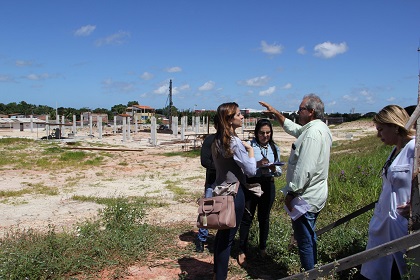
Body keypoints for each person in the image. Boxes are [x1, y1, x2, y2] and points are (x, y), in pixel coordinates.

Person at [259, 93, 332, 271]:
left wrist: (291, 194)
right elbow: (294, 129)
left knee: (304, 241)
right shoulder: (317, 128)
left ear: (311, 111)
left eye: (300, 109)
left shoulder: (312, 134)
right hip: (314, 195)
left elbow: (304, 169)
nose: (298, 112)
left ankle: (309, 274)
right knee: (309, 235)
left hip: (304, 198)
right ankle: (313, 269)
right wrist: (276, 113)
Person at [360, 105, 416, 280]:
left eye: (381, 129)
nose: (379, 135)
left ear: (395, 125)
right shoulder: (395, 150)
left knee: (400, 271)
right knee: (378, 271)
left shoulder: (415, 148)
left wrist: (416, 207)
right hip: (383, 225)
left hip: (401, 226)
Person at [212, 102, 257, 280]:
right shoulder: (234, 142)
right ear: (229, 120)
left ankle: (217, 273)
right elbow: (251, 170)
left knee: (221, 236)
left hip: (220, 192)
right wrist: (251, 151)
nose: (242, 117)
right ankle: (220, 276)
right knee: (228, 239)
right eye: (239, 114)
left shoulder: (216, 140)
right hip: (235, 193)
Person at [237, 118, 282, 266]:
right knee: (247, 218)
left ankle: (262, 248)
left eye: (268, 132)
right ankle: (242, 249)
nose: (265, 135)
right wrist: (257, 164)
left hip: (268, 185)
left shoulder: (274, 148)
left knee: (264, 218)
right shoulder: (248, 146)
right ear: (256, 133)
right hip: (252, 185)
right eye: (262, 133)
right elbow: (243, 168)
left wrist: (274, 169)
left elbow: (279, 171)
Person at [195, 115, 219, 252]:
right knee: (206, 211)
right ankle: (201, 237)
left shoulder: (231, 140)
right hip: (212, 180)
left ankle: (219, 238)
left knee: (223, 210)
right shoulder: (210, 140)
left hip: (226, 183)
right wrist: (221, 167)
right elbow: (205, 161)